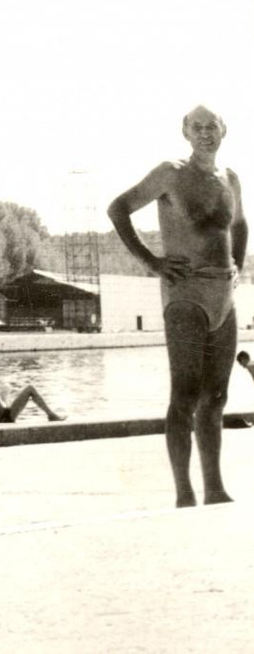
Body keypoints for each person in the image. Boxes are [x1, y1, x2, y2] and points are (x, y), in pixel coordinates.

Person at [107, 105, 247, 507]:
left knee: (217, 396)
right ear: (185, 132)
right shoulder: (170, 172)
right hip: (184, 294)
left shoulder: (230, 178)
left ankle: (214, 487)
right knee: (185, 393)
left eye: (212, 127)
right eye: (197, 127)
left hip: (224, 294)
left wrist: (237, 263)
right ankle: (184, 493)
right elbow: (119, 207)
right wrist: (151, 262)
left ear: (224, 130)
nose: (205, 134)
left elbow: (239, 224)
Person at [0, 354, 65, 425]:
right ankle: (51, 414)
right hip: (6, 416)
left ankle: (51, 415)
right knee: (30, 388)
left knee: (6, 391)